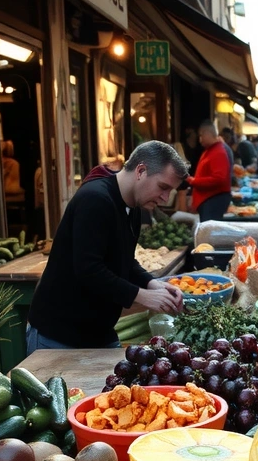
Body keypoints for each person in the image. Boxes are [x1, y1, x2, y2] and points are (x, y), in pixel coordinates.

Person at [26, 141, 188, 351]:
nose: (166, 198)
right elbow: (89, 269)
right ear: (141, 171)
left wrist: (151, 283)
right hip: (58, 336)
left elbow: (124, 260)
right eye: (163, 187)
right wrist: (142, 296)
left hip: (97, 333)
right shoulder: (96, 199)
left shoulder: (134, 206)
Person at [186, 121, 232, 220]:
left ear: (208, 133)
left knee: (209, 232)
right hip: (208, 200)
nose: (200, 139)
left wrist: (194, 181)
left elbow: (219, 178)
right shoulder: (211, 150)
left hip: (213, 200)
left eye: (201, 136)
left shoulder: (218, 151)